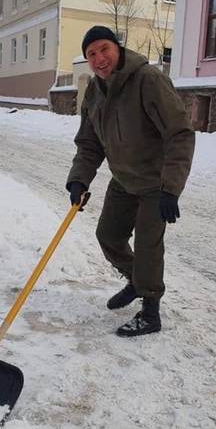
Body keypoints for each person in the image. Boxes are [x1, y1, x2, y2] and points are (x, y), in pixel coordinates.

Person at [66, 26, 195, 337]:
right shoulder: (95, 92)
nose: (99, 58)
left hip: (155, 183)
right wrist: (78, 180)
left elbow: (180, 134)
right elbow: (89, 143)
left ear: (118, 48)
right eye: (91, 54)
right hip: (124, 179)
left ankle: (151, 312)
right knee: (108, 235)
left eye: (104, 49)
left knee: (148, 247)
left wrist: (171, 188)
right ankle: (137, 281)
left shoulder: (148, 80)